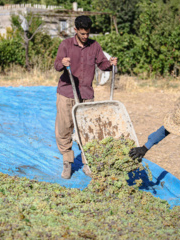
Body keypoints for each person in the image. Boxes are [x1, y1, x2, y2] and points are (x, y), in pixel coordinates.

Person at [54, 15, 117, 179]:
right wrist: (63, 62)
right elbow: (56, 65)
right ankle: (67, 162)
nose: (85, 37)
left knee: (87, 129)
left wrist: (110, 63)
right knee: (64, 128)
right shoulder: (66, 44)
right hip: (67, 92)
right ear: (75, 30)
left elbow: (102, 64)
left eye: (88, 33)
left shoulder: (95, 46)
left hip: (86, 94)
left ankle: (87, 162)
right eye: (82, 33)